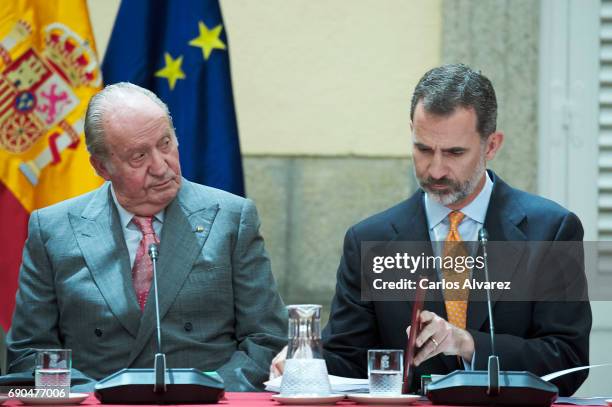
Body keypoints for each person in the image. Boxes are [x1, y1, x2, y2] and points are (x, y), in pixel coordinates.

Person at [271, 64, 591, 396]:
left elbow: (568, 361)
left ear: (492, 145)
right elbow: (348, 360)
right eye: (423, 149)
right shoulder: (369, 240)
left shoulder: (551, 230)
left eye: (455, 152)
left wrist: (466, 343)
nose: (435, 169)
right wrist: (304, 364)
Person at [7, 82, 287, 391]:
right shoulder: (53, 230)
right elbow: (30, 353)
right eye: (139, 156)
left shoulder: (232, 218)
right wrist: (96, 397)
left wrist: (210, 392)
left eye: (165, 143)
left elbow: (266, 341)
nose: (160, 165)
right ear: (102, 167)